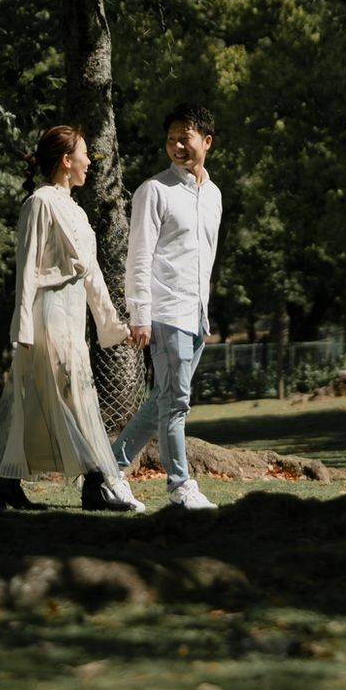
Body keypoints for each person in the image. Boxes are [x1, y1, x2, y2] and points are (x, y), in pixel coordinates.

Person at [0, 125, 142, 513]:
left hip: (74, 317)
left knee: (61, 398)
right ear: (66, 160)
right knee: (69, 398)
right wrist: (24, 326)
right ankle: (95, 484)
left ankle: (8, 485)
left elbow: (91, 274)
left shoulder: (76, 210)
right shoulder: (40, 203)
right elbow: (27, 267)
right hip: (49, 314)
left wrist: (112, 324)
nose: (89, 161)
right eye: (84, 154)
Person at [108, 103, 223, 512]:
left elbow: (206, 259)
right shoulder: (154, 191)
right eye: (171, 139)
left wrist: (205, 314)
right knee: (176, 403)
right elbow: (138, 257)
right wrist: (140, 315)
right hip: (166, 311)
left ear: (206, 142)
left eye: (184, 138)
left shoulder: (214, 195)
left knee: (162, 399)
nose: (177, 146)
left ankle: (108, 470)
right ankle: (180, 486)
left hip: (196, 314)